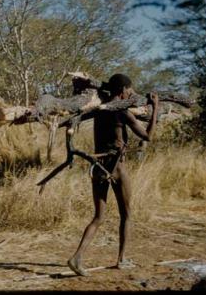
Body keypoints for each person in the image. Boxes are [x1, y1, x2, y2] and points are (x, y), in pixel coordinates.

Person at [67, 73, 159, 276]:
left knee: (98, 216)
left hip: (98, 166)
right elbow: (147, 136)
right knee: (126, 215)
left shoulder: (99, 110)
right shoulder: (122, 112)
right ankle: (122, 259)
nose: (131, 94)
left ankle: (77, 257)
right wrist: (155, 107)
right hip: (117, 167)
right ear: (122, 90)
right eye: (129, 90)